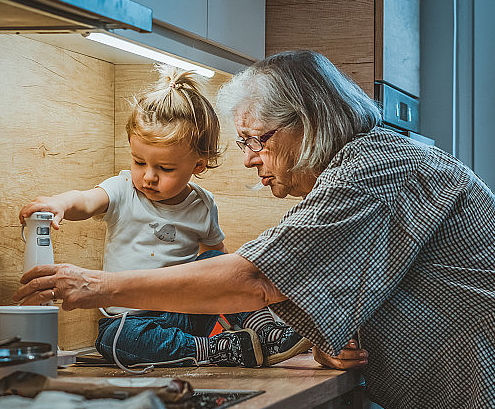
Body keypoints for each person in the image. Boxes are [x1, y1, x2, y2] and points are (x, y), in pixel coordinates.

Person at [14, 51, 495, 409]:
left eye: (256, 140)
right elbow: (340, 284)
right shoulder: (365, 167)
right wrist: (323, 339)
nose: (248, 160)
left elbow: (258, 278)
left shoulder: (378, 169)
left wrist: (100, 286)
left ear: (308, 122)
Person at [18, 66, 309, 370]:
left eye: (165, 169)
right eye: (138, 161)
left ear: (199, 165)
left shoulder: (202, 204)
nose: (148, 177)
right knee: (113, 339)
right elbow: (87, 201)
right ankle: (217, 349)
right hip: (131, 319)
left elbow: (220, 266)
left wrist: (233, 297)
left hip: (184, 312)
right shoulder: (123, 190)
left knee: (213, 260)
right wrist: (59, 203)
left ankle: (267, 331)